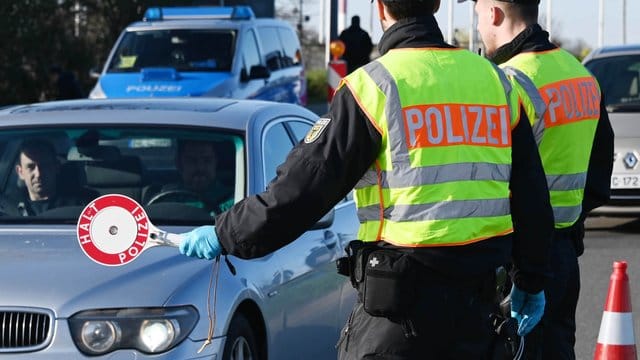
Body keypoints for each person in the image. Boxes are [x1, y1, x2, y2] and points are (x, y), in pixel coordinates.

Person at [178, 0, 555, 358]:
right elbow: (531, 194)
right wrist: (532, 279)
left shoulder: (372, 87)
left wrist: (225, 233)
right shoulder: (496, 83)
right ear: (437, 6)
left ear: (380, 9)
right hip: (479, 313)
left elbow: (301, 190)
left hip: (400, 313)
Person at [461, 0, 615, 358]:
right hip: (564, 255)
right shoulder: (581, 75)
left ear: (494, 14)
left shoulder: (508, 83)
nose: (480, 29)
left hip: (517, 262)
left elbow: (491, 177)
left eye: (478, 16)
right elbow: (598, 175)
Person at [0, 139, 95, 216]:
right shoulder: (6, 209)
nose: (38, 174)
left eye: (45, 166)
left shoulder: (84, 206)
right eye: (31, 167)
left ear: (56, 167)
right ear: (20, 172)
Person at [144, 139, 233, 215]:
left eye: (207, 160)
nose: (200, 167)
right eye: (192, 161)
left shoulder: (232, 199)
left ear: (216, 163)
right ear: (179, 164)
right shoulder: (164, 199)